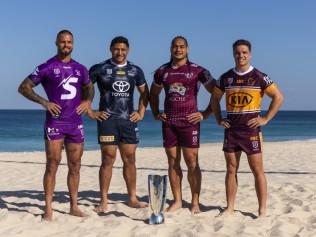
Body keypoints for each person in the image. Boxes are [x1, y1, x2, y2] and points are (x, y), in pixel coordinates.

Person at [18, 30, 94, 221]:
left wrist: (87, 102)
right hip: (55, 122)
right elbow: (24, 87)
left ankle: (74, 206)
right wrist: (44, 103)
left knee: (75, 165)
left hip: (75, 123)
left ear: (73, 44)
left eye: (69, 42)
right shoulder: (47, 67)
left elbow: (89, 87)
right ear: (56, 43)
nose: (66, 45)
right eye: (62, 42)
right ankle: (48, 208)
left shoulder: (80, 68)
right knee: (52, 164)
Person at [211, 39, 284, 217]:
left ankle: (262, 210)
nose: (241, 55)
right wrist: (219, 119)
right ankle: (229, 208)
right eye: (237, 52)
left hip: (251, 131)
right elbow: (214, 99)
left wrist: (265, 118)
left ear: (249, 54)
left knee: (257, 170)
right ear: (233, 54)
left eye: (244, 52)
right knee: (231, 169)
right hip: (232, 130)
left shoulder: (259, 76)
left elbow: (278, 97)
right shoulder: (226, 77)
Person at [150, 36, 215, 214]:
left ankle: (195, 201)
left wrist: (206, 113)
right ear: (170, 48)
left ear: (187, 49)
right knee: (172, 162)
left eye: (182, 47)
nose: (178, 50)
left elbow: (217, 91)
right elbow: (153, 94)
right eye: (175, 47)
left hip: (189, 122)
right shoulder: (162, 71)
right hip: (169, 122)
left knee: (192, 162)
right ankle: (177, 200)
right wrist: (156, 113)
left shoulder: (198, 70)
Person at [88, 36, 149, 212]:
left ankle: (132, 198)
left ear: (128, 50)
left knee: (129, 159)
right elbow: (84, 88)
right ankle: (104, 200)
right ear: (110, 49)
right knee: (108, 158)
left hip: (128, 120)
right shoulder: (99, 69)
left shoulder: (135, 70)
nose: (119, 52)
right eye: (116, 49)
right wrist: (90, 111)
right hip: (107, 120)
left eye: (123, 49)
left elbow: (145, 93)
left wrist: (141, 112)